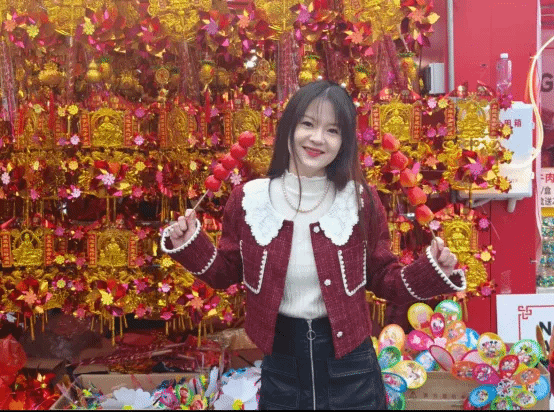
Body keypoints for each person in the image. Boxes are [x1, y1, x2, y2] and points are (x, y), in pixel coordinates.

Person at [161, 80, 466, 410]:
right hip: (282, 370)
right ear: (289, 127)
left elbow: (383, 278)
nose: (318, 138)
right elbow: (226, 273)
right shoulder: (250, 199)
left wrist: (433, 270)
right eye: (308, 124)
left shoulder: (360, 200)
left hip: (352, 371)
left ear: (344, 141)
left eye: (332, 130)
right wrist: (188, 243)